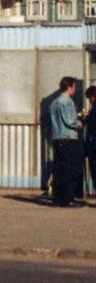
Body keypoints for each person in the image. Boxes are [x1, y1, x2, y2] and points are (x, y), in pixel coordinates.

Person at [48, 76, 83, 208]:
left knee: (59, 170)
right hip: (68, 138)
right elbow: (70, 120)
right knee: (68, 169)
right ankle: (67, 199)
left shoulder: (54, 102)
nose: (75, 89)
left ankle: (57, 198)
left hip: (57, 137)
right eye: (74, 86)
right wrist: (80, 123)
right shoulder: (67, 102)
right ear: (69, 87)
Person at [84, 84, 96, 199]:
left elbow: (92, 126)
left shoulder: (94, 110)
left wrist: (85, 119)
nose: (90, 101)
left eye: (90, 98)